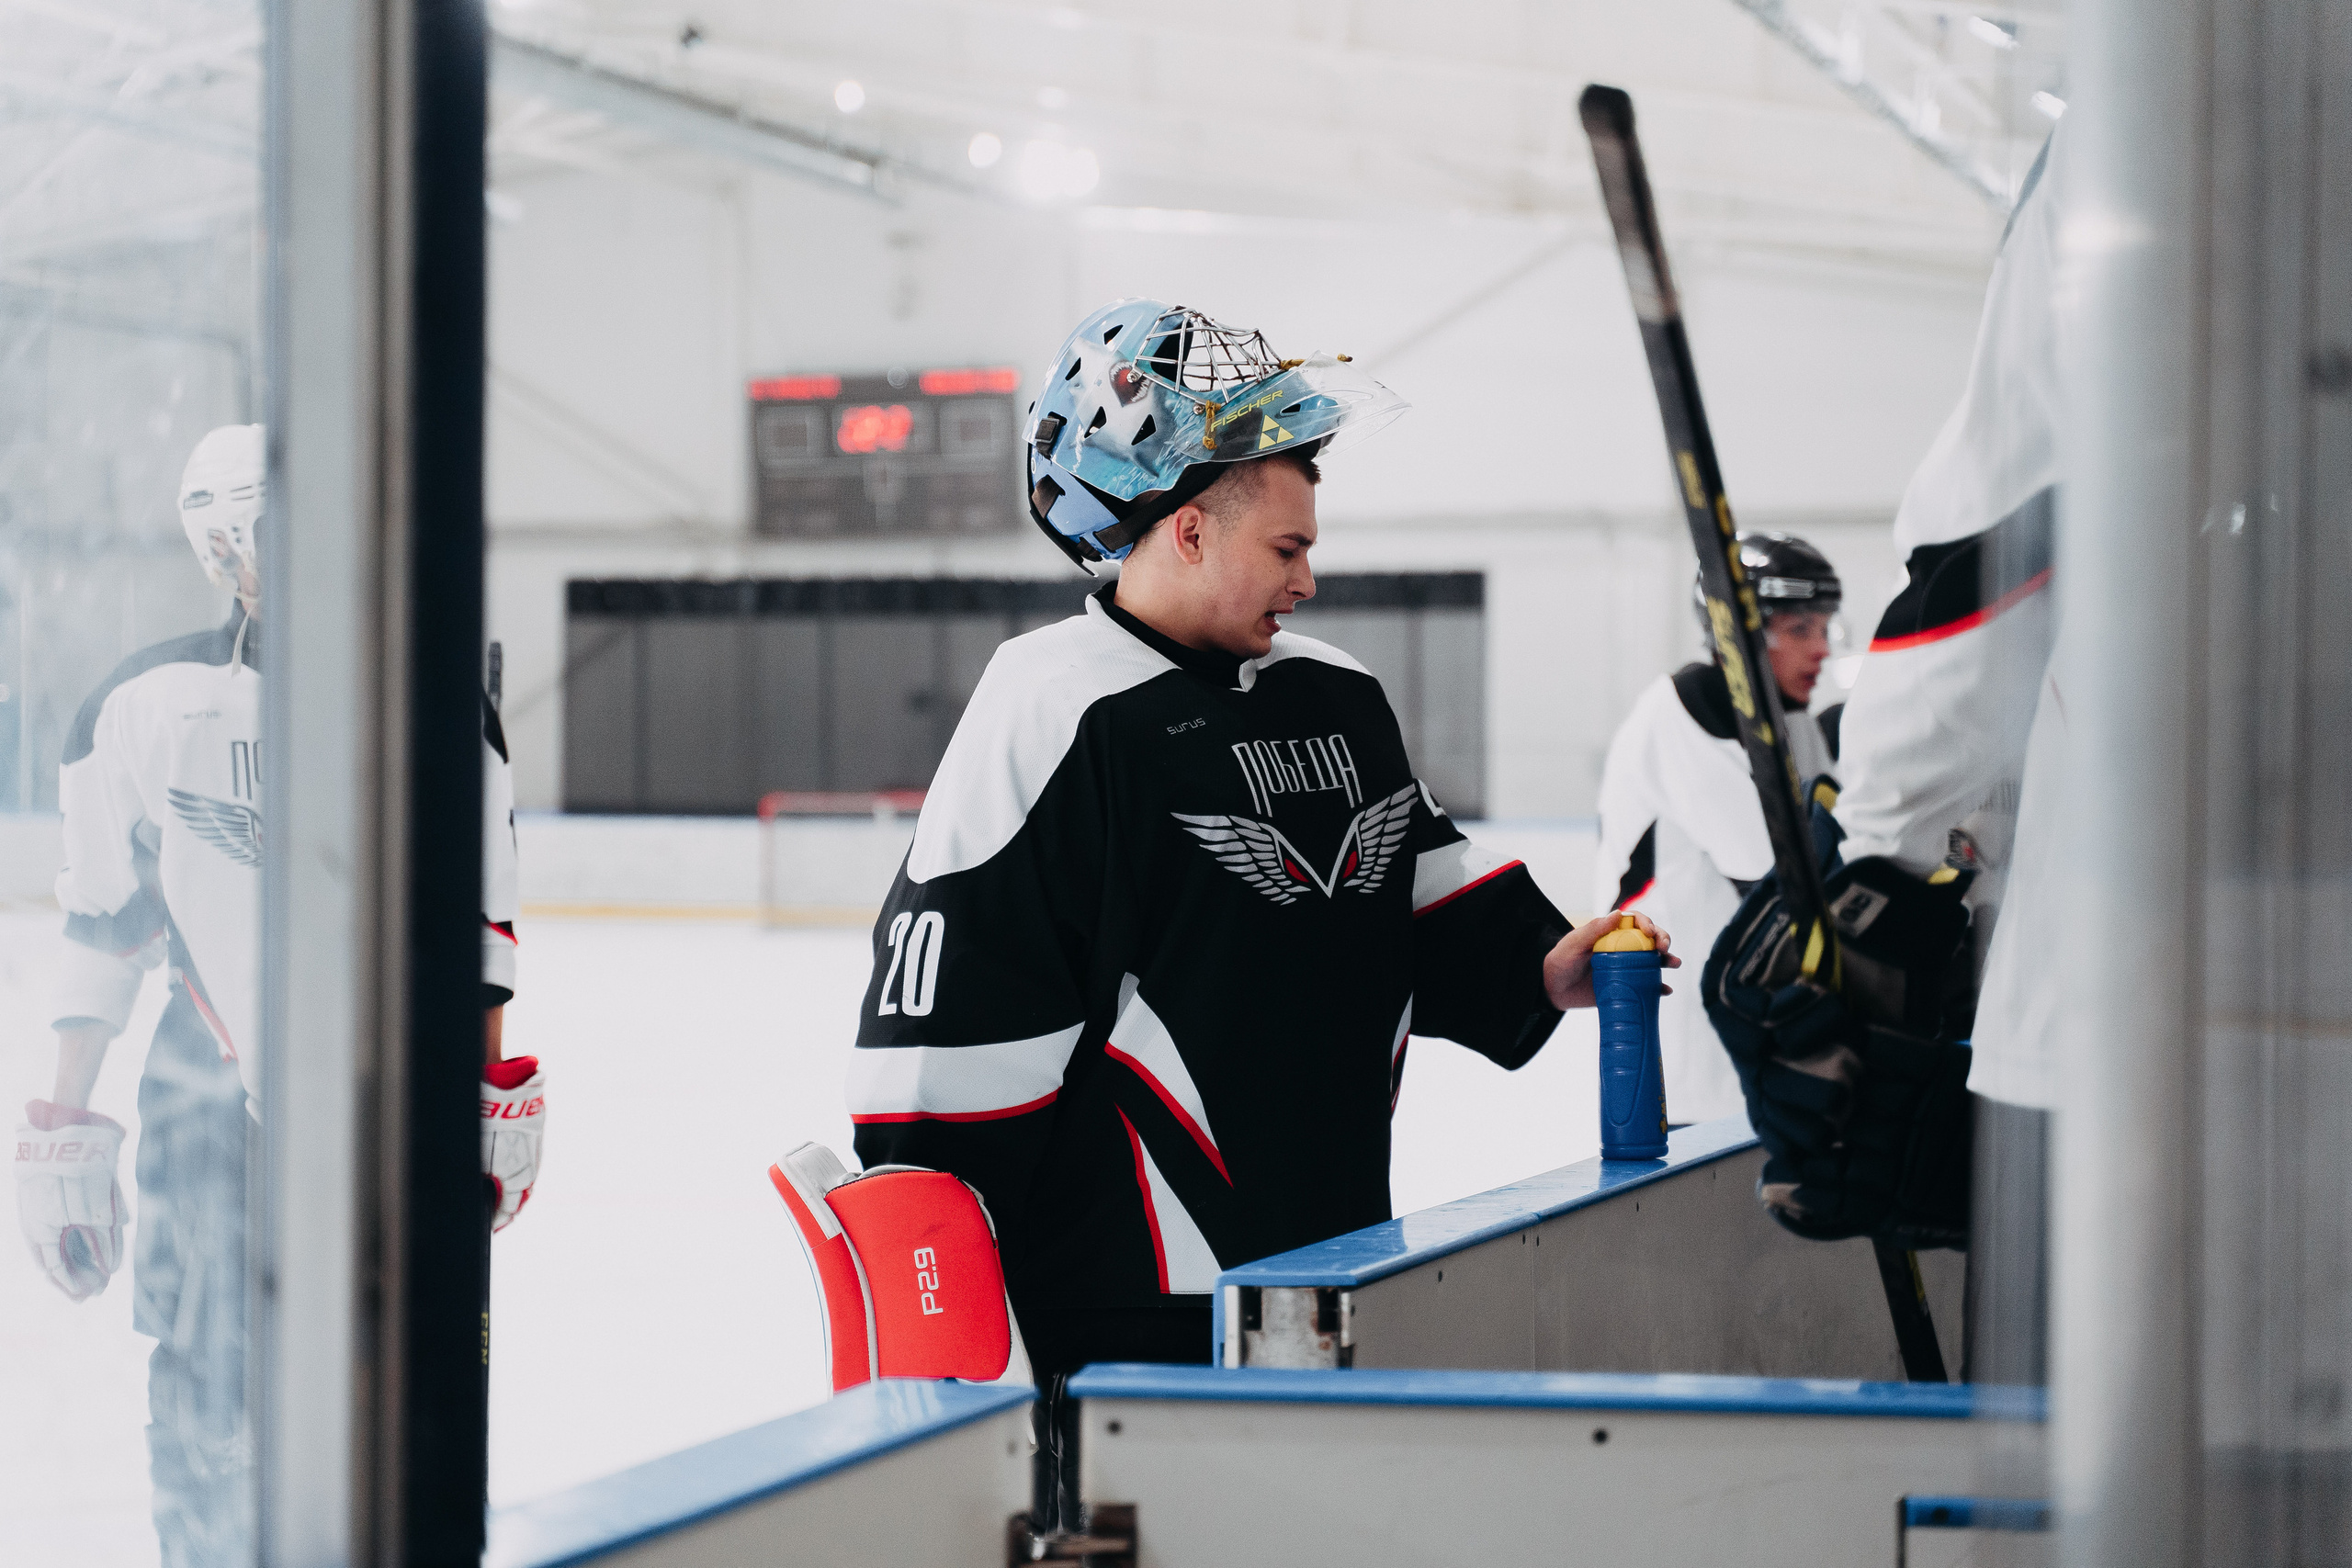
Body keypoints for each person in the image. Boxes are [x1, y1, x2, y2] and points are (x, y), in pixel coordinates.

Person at [845, 299, 1675, 1517]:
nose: (1310, 574)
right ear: (1187, 528)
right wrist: (953, 1326)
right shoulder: (1051, 707)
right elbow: (943, 1054)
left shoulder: (1338, 696)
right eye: (1285, 547)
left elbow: (1419, 891)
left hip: (1335, 1270)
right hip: (1128, 1314)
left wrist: (1551, 961)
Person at [9, 423, 544, 1566]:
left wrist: (489, 1084)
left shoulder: (440, 701)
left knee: (422, 1387)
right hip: (207, 1108)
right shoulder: (143, 707)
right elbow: (106, 921)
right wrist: (63, 1124)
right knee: (208, 1406)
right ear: (227, 548)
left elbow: (476, 929)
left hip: (391, 1108)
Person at [1700, 131, 2062, 1382]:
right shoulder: (1691, 719)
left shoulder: (2150, 124)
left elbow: (1994, 563)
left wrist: (1886, 881)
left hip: (2123, 1048)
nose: (1811, 643)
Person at [1591, 533, 1847, 1123]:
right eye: (1801, 629)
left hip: (1753, 1054)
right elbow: (1786, 877)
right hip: (1684, 1069)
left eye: (1826, 627)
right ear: (1742, 632)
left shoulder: (1794, 722)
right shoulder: (1689, 706)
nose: (1823, 650)